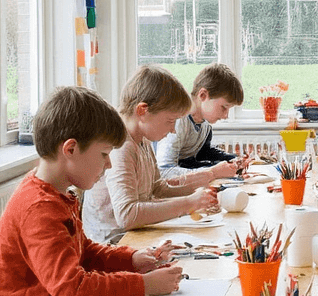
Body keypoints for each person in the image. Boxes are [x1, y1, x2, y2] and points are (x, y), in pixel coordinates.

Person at [0, 87, 184, 296]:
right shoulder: (39, 207)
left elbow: (83, 251)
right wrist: (144, 285)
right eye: (104, 154)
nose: (108, 164)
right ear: (70, 149)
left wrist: (133, 259)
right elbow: (71, 289)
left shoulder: (58, 194)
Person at [81, 66, 219, 242]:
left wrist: (201, 189)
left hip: (133, 235)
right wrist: (189, 203)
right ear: (142, 111)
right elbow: (127, 215)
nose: (173, 130)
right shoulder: (121, 147)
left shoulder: (143, 140)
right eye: (170, 121)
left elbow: (158, 188)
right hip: (113, 242)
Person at [156, 63, 246, 181]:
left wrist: (233, 159)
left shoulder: (205, 122)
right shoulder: (177, 121)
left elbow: (203, 153)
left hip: (186, 170)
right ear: (203, 95)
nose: (226, 116)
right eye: (224, 107)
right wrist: (212, 172)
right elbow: (164, 171)